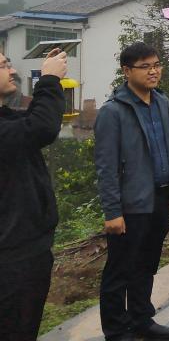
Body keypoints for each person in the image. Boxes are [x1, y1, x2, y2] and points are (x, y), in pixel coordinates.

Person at [95, 42, 169, 341]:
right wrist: (112, 212)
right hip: (131, 203)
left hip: (160, 196)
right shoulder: (113, 112)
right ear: (127, 71)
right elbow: (106, 166)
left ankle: (142, 319)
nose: (153, 71)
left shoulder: (162, 102)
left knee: (147, 263)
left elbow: (168, 150)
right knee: (120, 269)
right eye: (145, 66)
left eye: (156, 65)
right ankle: (116, 330)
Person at [0, 49, 66, 341]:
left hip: (26, 251)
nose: (12, 71)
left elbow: (33, 123)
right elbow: (41, 128)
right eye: (4, 66)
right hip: (12, 260)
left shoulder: (6, 119)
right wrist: (49, 79)